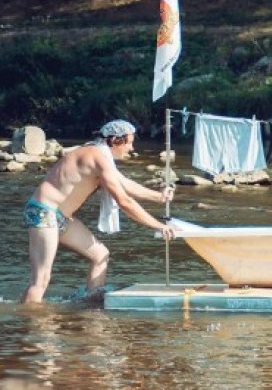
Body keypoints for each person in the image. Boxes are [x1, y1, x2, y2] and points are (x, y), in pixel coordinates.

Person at [22, 119, 177, 304]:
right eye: (129, 142)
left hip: (60, 216)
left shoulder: (100, 155)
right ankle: (30, 326)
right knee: (41, 280)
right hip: (44, 212)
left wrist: (158, 197)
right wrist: (158, 225)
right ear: (115, 140)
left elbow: (124, 183)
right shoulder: (97, 158)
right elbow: (124, 201)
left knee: (100, 255)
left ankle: (91, 306)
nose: (132, 148)